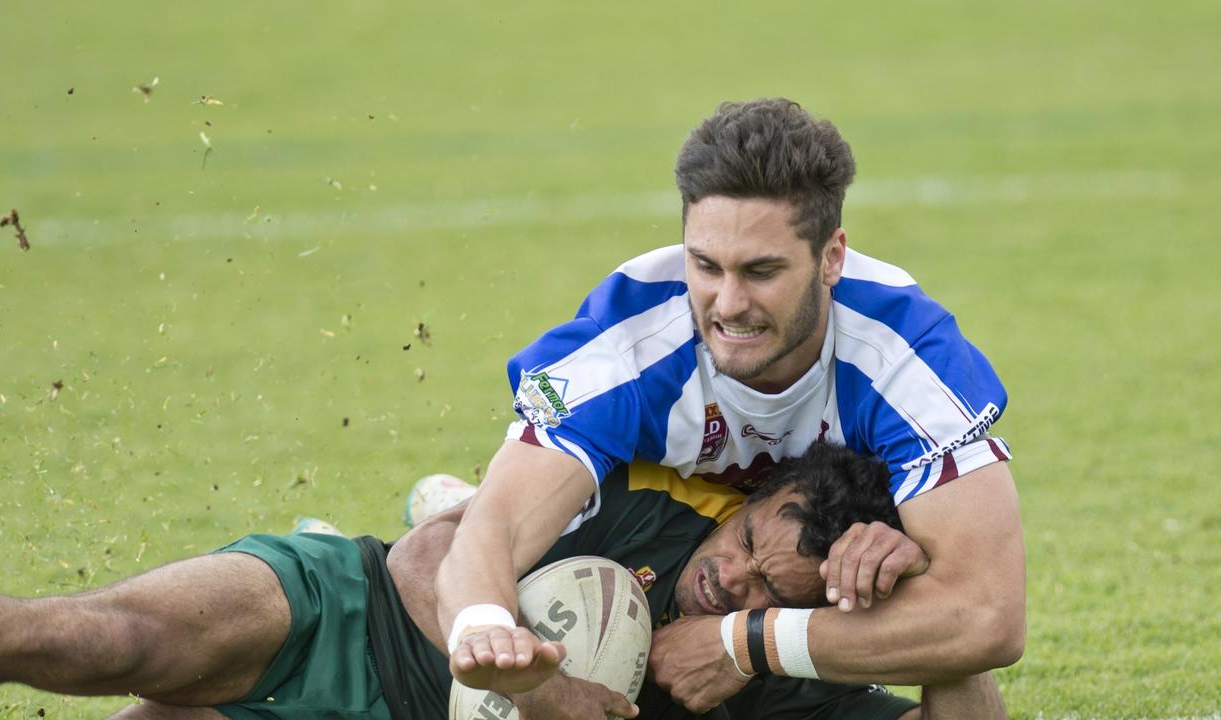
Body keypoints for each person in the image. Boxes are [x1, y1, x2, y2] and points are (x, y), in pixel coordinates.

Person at [435, 98, 1026, 714]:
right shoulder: (630, 347)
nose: (728, 302)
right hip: (638, 535)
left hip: (793, 586)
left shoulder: (905, 360)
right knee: (471, 520)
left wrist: (747, 644)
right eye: (706, 265)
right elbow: (493, 531)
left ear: (831, 257)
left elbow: (989, 617)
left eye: (761, 270)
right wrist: (485, 629)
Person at [0, 446, 947, 719]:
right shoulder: (631, 488)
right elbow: (428, 556)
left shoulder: (793, 668)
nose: (739, 589)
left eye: (781, 596)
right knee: (98, 643)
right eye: (747, 549)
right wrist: (545, 693)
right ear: (749, 494)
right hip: (346, 614)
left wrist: (935, 592)